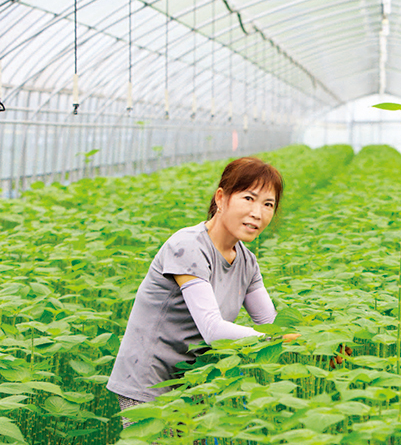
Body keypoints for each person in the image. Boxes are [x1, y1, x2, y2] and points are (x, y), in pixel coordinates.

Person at [108, 156, 286, 418]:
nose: (257, 213)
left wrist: (314, 345)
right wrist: (276, 339)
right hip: (149, 381)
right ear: (221, 198)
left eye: (268, 204)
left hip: (193, 382)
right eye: (248, 198)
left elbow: (270, 323)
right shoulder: (189, 246)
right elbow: (213, 329)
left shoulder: (247, 261)